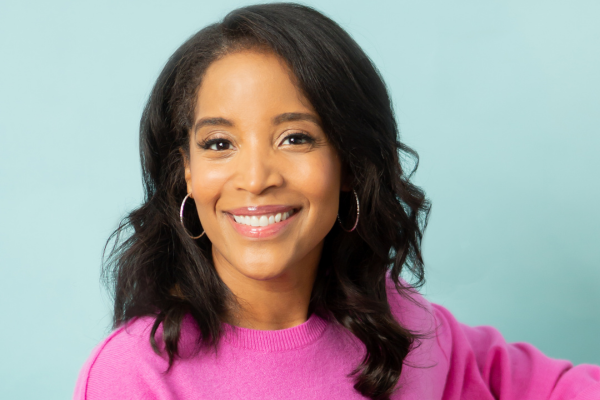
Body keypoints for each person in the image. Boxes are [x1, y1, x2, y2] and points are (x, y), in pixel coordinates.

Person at [73, 3, 600, 399]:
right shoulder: (134, 376)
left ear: (349, 163)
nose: (255, 179)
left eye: (295, 138)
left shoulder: (403, 327)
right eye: (219, 144)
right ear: (186, 171)